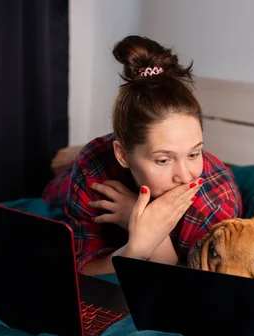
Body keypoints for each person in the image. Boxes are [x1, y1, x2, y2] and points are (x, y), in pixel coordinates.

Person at [42, 35, 243, 275]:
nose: (185, 176)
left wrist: (141, 224)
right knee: (52, 192)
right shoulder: (94, 164)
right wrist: (134, 251)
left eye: (194, 153)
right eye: (163, 160)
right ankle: (70, 161)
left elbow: (183, 287)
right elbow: (81, 270)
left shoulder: (216, 201)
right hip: (104, 162)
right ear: (123, 155)